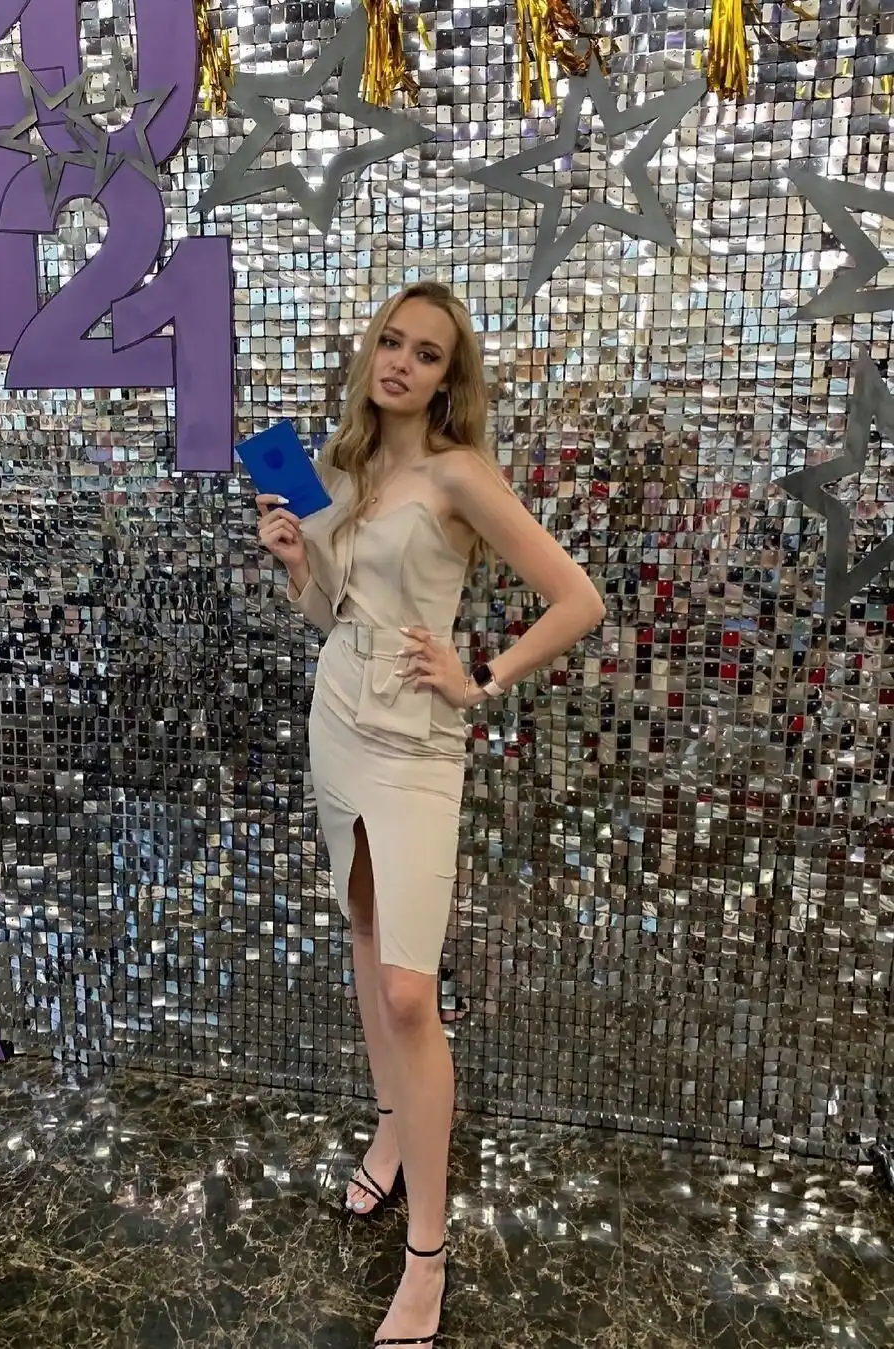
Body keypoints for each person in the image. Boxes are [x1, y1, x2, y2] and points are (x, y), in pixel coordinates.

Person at [256, 280, 605, 1346]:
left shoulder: (460, 472)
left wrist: (481, 675)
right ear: (372, 352)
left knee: (411, 989)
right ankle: (391, 1128)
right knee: (366, 941)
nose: (401, 364)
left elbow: (578, 599)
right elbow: (335, 612)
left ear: (450, 378)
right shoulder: (344, 466)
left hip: (415, 743)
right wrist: (297, 567)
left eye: (427, 353)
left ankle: (427, 1254)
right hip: (338, 721)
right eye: (392, 343)